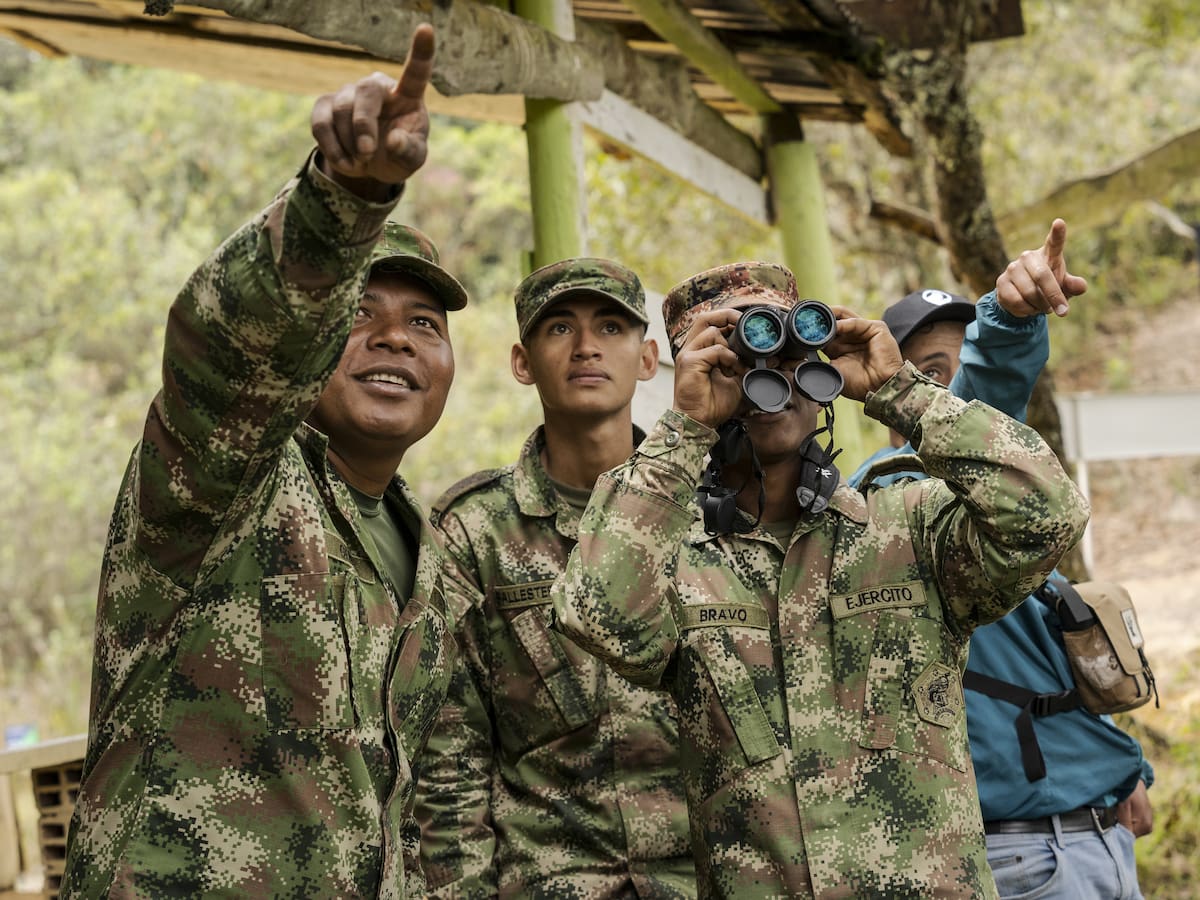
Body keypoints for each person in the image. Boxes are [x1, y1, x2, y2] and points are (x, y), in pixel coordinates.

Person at [62, 26, 464, 898]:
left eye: (424, 323)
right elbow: (231, 345)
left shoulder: (431, 555)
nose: (394, 334)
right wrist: (344, 202)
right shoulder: (228, 474)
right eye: (361, 309)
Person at [551, 259, 1090, 898]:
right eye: (733, 355)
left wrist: (901, 388)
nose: (765, 374)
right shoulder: (673, 561)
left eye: (784, 345)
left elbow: (1050, 514)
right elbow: (598, 618)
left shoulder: (908, 526)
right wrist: (685, 430)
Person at [850, 219, 1154, 900]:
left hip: (1089, 839)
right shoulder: (894, 499)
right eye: (927, 376)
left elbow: (1041, 675)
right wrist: (1010, 322)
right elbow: (973, 404)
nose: (949, 391)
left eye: (962, 365)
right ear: (886, 393)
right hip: (1027, 859)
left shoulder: (1003, 524)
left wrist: (1126, 768)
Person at [415, 260, 696, 897]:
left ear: (649, 358)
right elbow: (448, 760)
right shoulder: (473, 531)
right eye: (559, 328)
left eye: (612, 327)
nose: (587, 346)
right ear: (523, 362)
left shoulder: (706, 513)